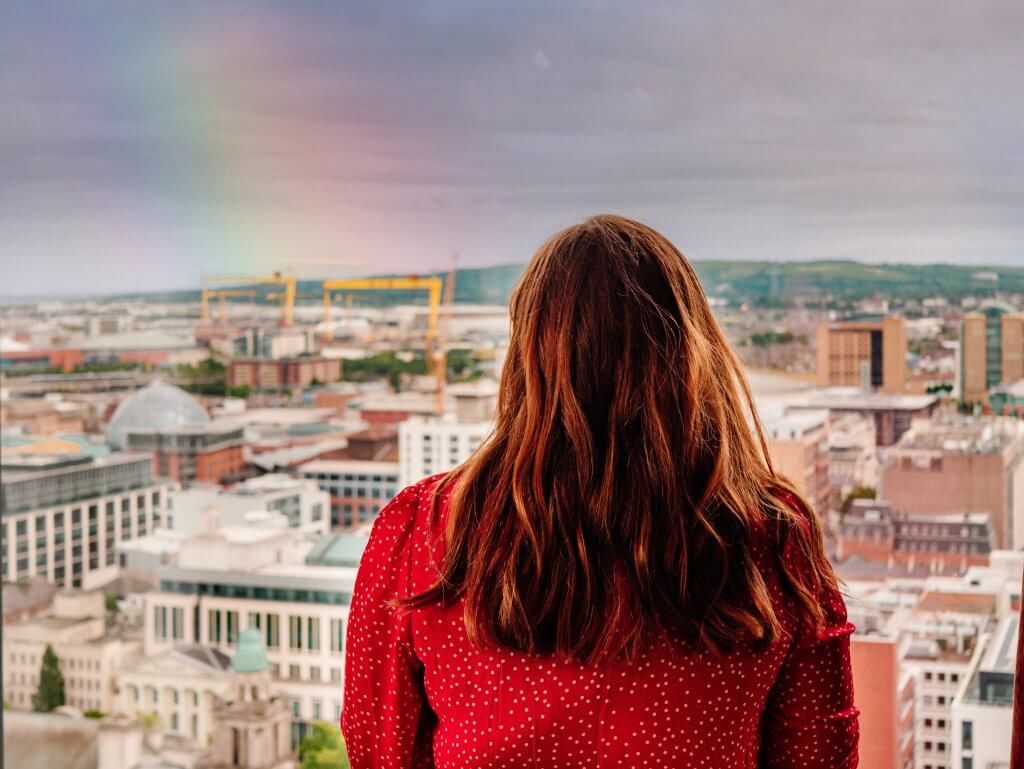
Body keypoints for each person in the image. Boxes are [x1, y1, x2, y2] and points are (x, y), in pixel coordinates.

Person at [342, 214, 859, 768]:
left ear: (526, 357)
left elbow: (380, 748)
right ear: (690, 351)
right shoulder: (770, 540)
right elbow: (819, 754)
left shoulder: (426, 532)